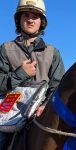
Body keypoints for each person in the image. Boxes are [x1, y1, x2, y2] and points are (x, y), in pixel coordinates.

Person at [0, 0, 65, 149]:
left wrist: (46, 105)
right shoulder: (5, 49)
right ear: (19, 20)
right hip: (10, 114)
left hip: (42, 113)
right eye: (26, 16)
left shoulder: (52, 52)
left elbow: (58, 85)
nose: (30, 20)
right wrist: (20, 74)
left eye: (35, 16)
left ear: (41, 22)